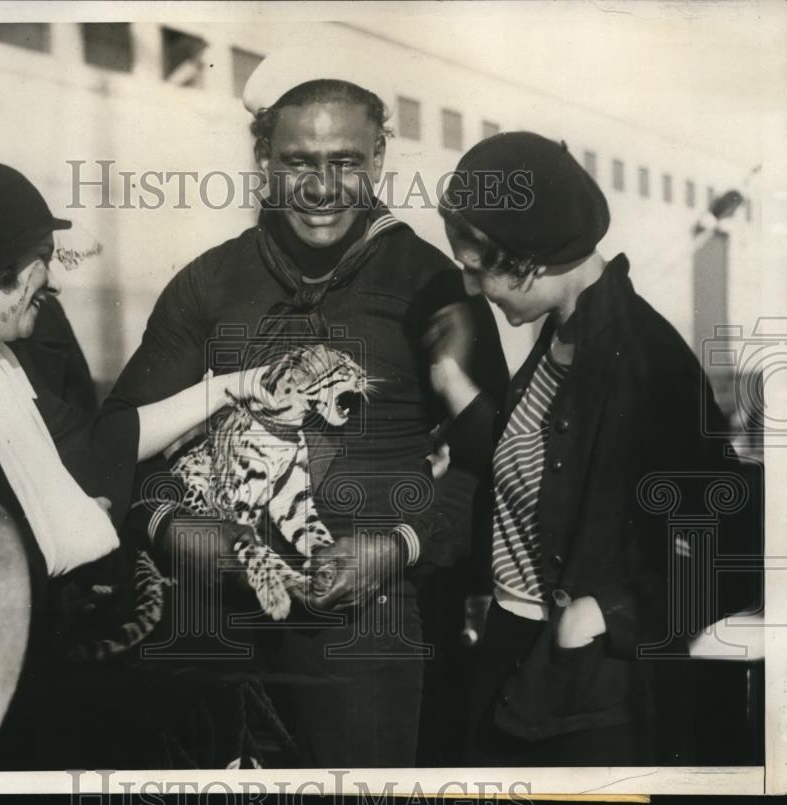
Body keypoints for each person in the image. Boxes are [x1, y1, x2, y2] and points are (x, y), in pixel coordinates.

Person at [101, 48, 508, 767]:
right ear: (262, 157)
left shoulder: (432, 288)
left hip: (370, 640)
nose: (323, 187)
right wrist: (173, 528)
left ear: (380, 156)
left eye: (347, 160)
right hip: (219, 632)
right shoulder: (209, 283)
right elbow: (117, 442)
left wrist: (399, 547)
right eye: (298, 161)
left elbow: (489, 458)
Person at [0, 160, 266, 768]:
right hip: (12, 697)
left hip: (57, 653)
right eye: (45, 257)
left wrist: (237, 385)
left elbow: (101, 443)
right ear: (7, 271)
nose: (57, 283)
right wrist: (74, 522)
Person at [436, 131, 743, 765]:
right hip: (519, 655)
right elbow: (534, 469)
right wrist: (452, 382)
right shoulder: (560, 338)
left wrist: (611, 614)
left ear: (529, 256)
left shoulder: (648, 359)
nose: (471, 289)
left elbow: (734, 537)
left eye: (476, 266)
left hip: (590, 695)